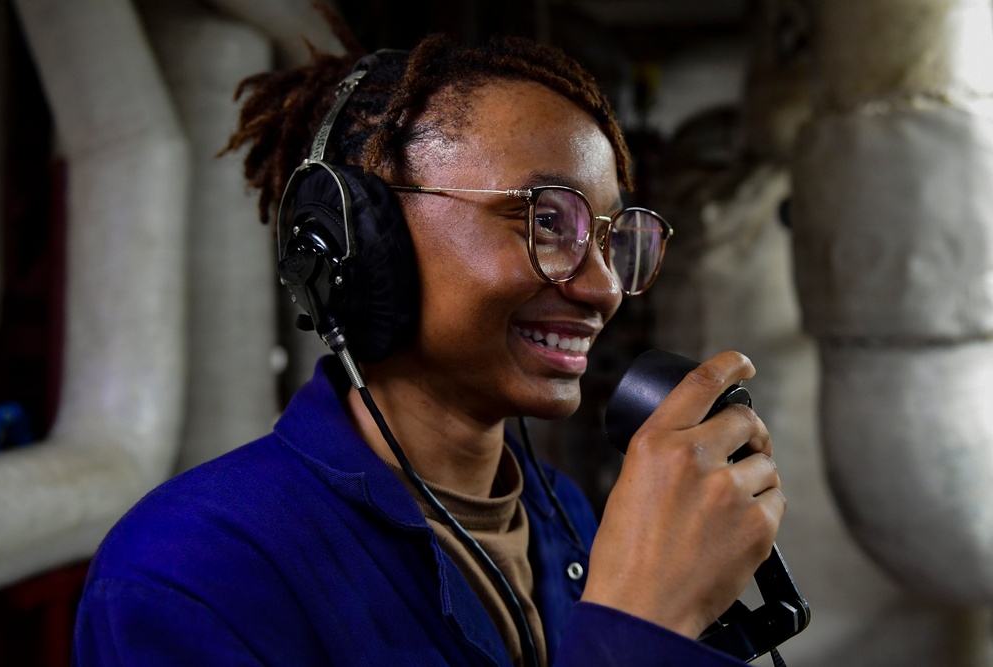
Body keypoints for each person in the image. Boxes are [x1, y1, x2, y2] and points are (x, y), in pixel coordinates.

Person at [73, 24, 784, 667]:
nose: (602, 288)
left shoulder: (562, 513)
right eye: (545, 222)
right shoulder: (189, 569)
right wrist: (638, 624)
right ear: (359, 241)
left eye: (613, 237)